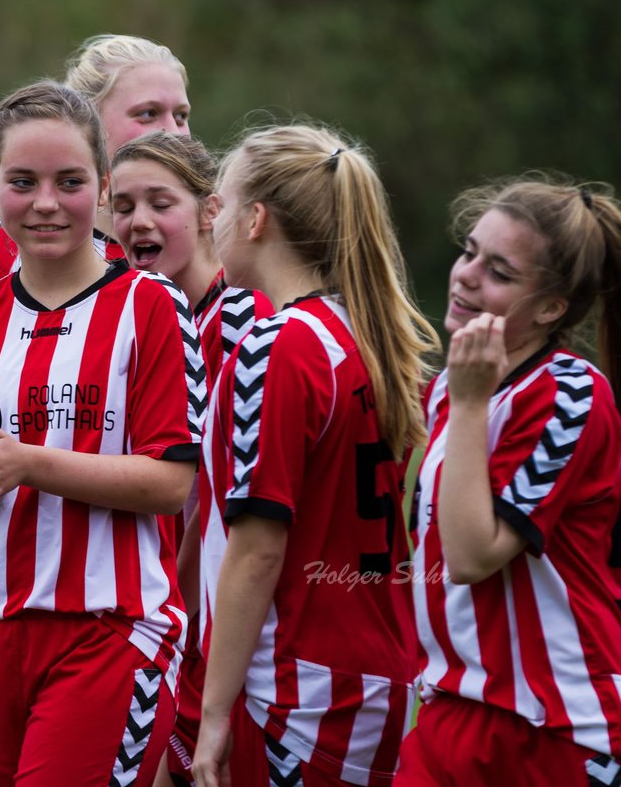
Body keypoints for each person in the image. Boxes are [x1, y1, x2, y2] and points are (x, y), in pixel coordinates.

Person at [0, 81, 205, 785]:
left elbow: (171, 482)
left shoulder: (150, 305)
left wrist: (27, 463)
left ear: (102, 186)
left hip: (110, 631)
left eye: (69, 182)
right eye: (23, 182)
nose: (45, 203)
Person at [395, 178, 621, 786]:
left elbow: (472, 555)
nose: (467, 275)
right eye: (469, 251)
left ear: (552, 307)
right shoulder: (450, 394)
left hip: (558, 732)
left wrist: (473, 405)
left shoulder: (568, 393)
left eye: (500, 271)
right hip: (453, 716)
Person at [0, 34, 193, 581]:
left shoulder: (177, 259)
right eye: (147, 113)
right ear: (86, 123)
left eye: (181, 114)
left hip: (149, 582)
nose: (172, 130)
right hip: (18, 584)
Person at [191, 125, 439, 786]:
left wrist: (212, 713)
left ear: (256, 219)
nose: (208, 217)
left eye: (220, 200)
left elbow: (259, 549)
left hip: (293, 692)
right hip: (373, 675)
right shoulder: (371, 336)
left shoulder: (278, 346)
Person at [109, 131, 274, 787]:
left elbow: (210, 500)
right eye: (121, 205)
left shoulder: (242, 321)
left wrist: (164, 604)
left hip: (208, 632)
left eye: (159, 202)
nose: (138, 221)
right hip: (157, 624)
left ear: (211, 211)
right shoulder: (131, 316)